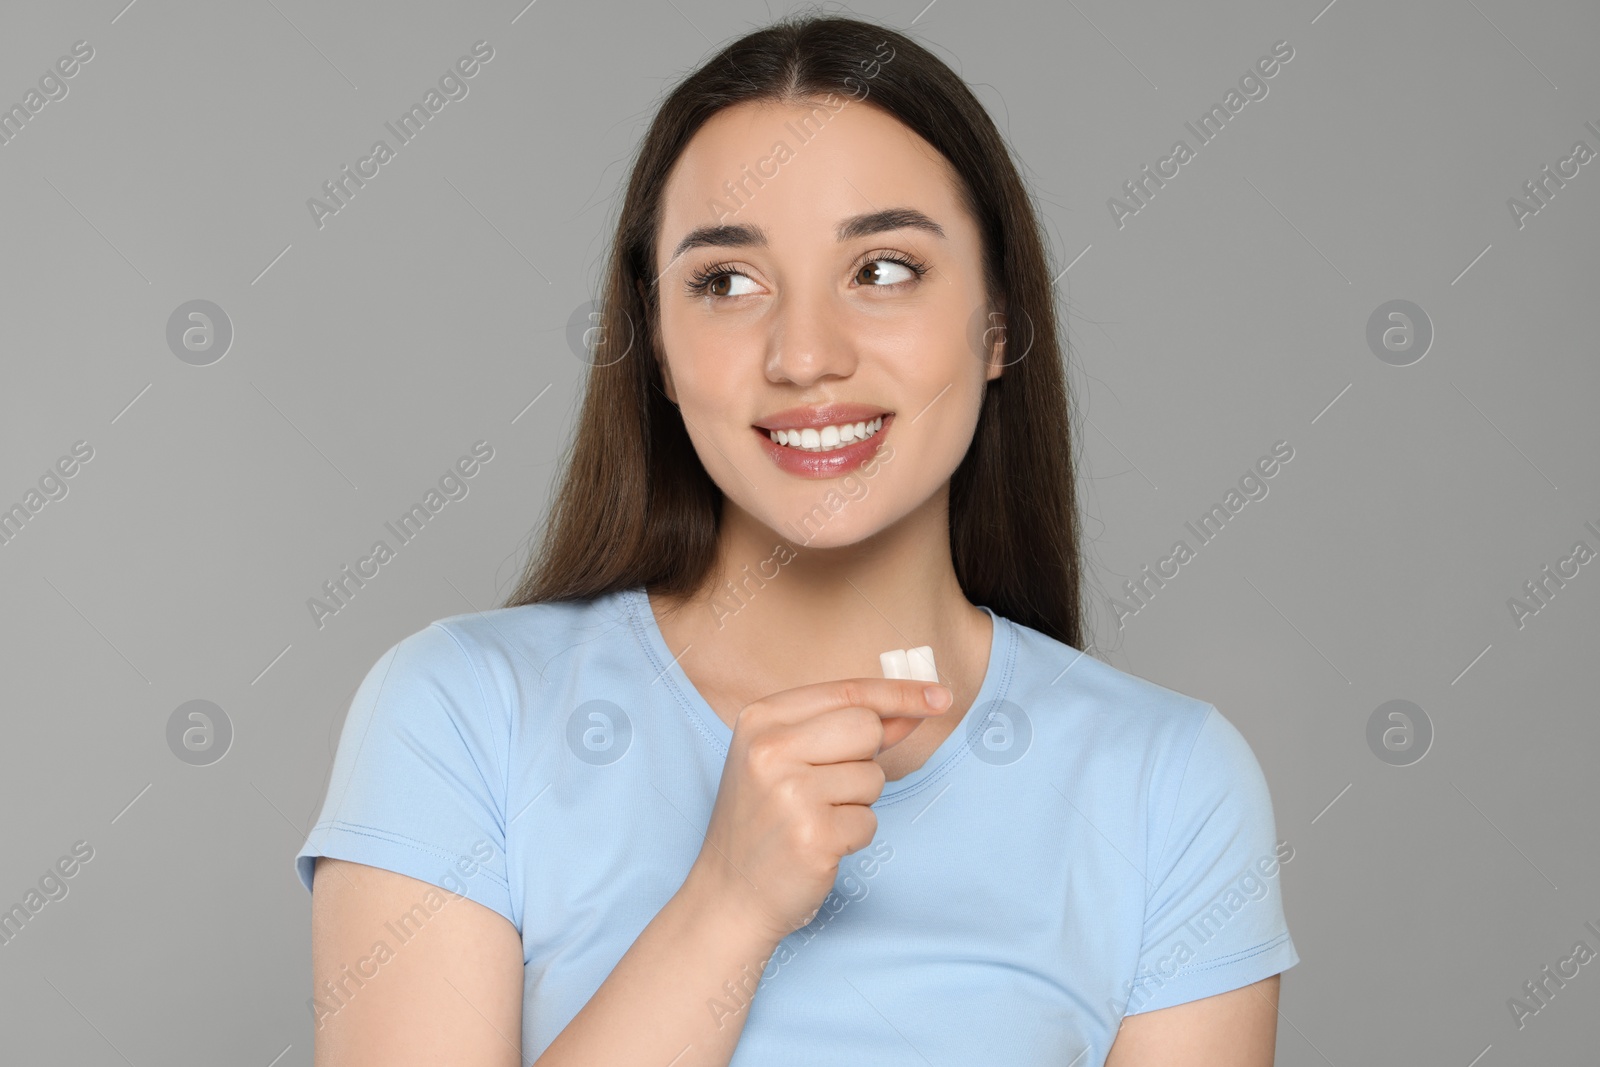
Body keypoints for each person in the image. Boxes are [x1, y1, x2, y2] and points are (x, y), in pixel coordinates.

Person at [295, 12, 1298, 1066]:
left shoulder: (1167, 784)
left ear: (998, 318)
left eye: (883, 268)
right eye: (726, 281)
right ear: (659, 347)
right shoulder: (459, 715)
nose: (806, 355)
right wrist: (726, 906)